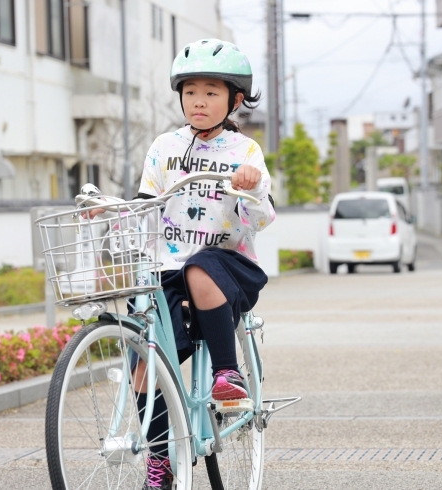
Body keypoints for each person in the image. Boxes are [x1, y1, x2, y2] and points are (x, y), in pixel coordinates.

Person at [132, 39, 275, 489]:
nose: (199, 101)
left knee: (201, 266)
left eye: (211, 92)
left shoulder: (244, 152)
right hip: (168, 270)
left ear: (234, 99)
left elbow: (262, 217)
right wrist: (113, 212)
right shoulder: (163, 147)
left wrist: (250, 188)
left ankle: (227, 374)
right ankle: (161, 459)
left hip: (228, 264)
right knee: (145, 362)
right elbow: (145, 204)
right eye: (191, 91)